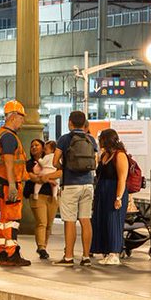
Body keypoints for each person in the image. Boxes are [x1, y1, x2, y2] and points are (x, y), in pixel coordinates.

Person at [53, 110, 97, 266]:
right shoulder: (91, 139)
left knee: (69, 220)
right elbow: (94, 161)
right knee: (85, 219)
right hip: (88, 184)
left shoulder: (65, 139)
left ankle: (69, 257)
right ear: (84, 123)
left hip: (71, 185)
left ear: (70, 122)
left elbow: (54, 161)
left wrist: (64, 168)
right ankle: (86, 257)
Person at [0, 100, 32, 267]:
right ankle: (11, 253)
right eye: (21, 118)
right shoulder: (9, 137)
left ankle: (3, 251)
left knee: (4, 220)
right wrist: (13, 185)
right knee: (12, 220)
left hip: (3, 182)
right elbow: (9, 162)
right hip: (10, 184)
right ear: (14, 116)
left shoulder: (2, 134)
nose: (22, 121)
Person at [90, 128, 130, 265]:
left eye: (101, 139)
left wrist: (118, 198)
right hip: (102, 191)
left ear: (107, 140)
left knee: (114, 220)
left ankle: (115, 253)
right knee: (102, 220)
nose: (99, 141)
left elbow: (122, 178)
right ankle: (106, 251)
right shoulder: (104, 155)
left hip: (114, 191)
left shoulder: (120, 155)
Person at [24, 139, 60, 260]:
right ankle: (41, 247)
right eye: (32, 145)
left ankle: (44, 245)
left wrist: (46, 177)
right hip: (37, 196)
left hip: (52, 195)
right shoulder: (29, 163)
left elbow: (60, 172)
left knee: (49, 224)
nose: (34, 147)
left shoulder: (53, 160)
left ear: (43, 147)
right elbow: (32, 177)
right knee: (42, 222)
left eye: (37, 145)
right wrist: (48, 179)